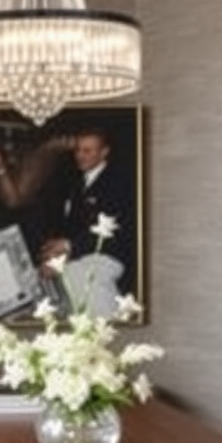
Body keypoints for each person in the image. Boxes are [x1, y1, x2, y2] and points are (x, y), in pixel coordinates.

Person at [37, 127, 137, 315]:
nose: (80, 156)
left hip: (113, 252)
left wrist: (67, 246)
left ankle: (111, 326)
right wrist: (56, 251)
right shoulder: (78, 182)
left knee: (77, 274)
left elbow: (109, 231)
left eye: (87, 151)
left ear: (104, 152)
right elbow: (73, 227)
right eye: (78, 150)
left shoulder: (118, 182)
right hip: (84, 250)